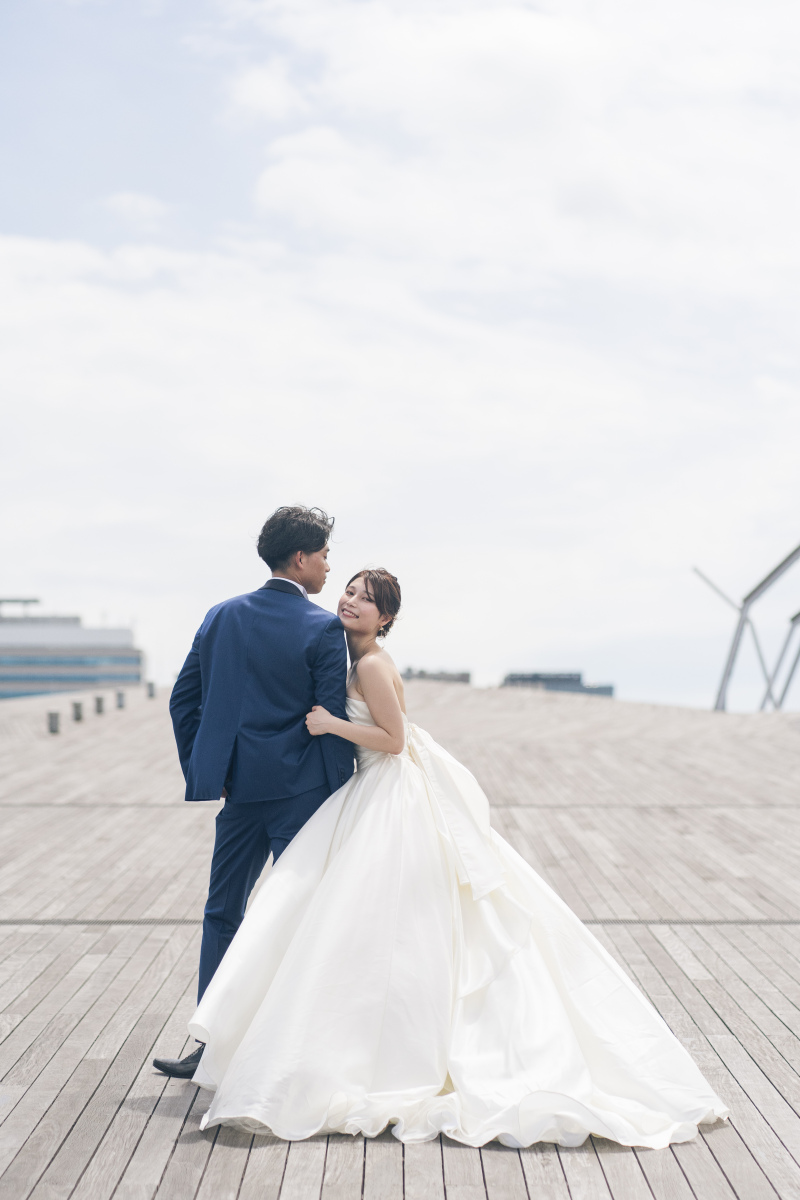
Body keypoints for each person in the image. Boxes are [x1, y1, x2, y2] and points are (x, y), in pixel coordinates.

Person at [186, 567, 728, 1148]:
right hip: (375, 789)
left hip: (388, 791)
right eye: (350, 591)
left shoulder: (370, 666)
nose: (351, 601)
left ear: (385, 618)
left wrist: (331, 725)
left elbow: (394, 741)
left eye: (367, 600)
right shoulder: (352, 657)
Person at [152, 506, 355, 1079]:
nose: (328, 567)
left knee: (222, 913)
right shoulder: (323, 628)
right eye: (324, 556)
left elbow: (183, 700)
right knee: (301, 920)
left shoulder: (221, 616)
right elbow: (330, 718)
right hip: (302, 796)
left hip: (239, 794)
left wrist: (208, 770)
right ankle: (292, 1053)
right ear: (300, 557)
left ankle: (211, 1047)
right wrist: (344, 796)